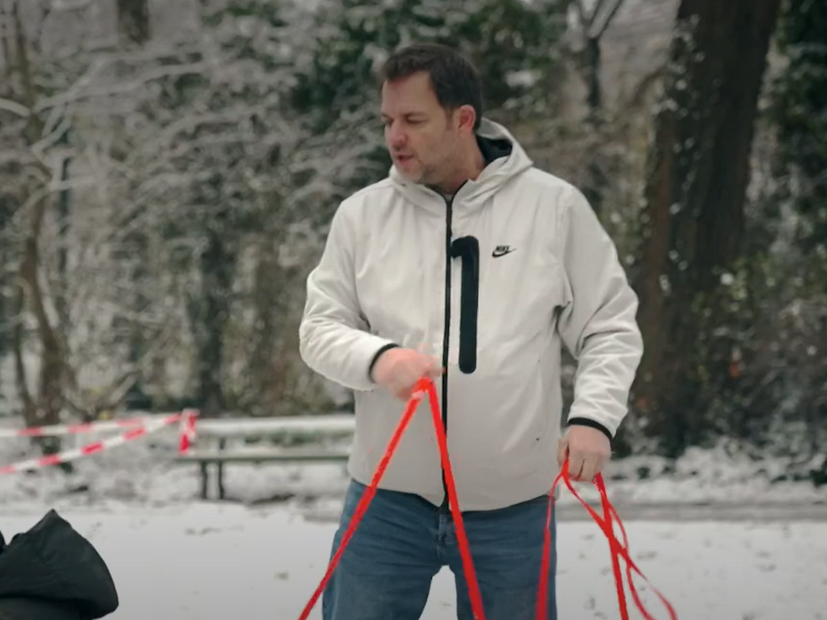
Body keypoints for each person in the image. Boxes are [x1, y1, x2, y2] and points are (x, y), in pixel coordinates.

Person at [299, 42, 643, 620]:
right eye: (387, 121)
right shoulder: (361, 216)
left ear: (463, 120)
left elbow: (609, 325)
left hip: (512, 508)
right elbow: (319, 328)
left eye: (413, 120)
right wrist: (379, 359)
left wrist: (593, 418)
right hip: (386, 504)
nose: (395, 137)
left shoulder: (554, 209)